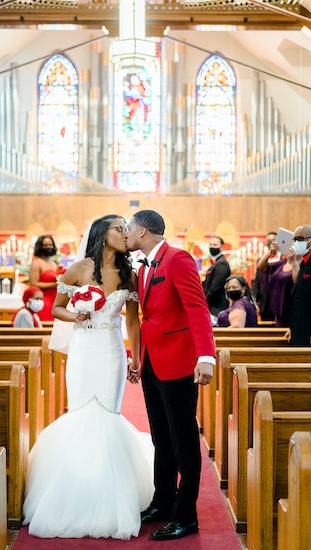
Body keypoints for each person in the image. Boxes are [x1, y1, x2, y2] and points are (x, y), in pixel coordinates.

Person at [23, 214, 154, 539]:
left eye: (126, 229)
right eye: (118, 228)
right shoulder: (78, 269)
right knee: (81, 410)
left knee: (108, 412)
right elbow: (57, 308)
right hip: (83, 349)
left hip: (111, 350)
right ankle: (76, 487)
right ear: (101, 233)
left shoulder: (129, 272)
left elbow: (133, 320)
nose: (125, 233)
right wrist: (75, 314)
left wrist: (136, 358)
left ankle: (111, 491)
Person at [126, 210, 215, 542]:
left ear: (145, 231)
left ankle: (186, 515)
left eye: (130, 228)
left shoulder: (178, 259)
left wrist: (206, 356)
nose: (126, 233)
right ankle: (162, 501)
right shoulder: (144, 266)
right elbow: (146, 316)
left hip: (179, 363)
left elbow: (197, 308)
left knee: (183, 442)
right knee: (160, 439)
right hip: (152, 361)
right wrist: (139, 357)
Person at [289, 224, 311, 347]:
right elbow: (298, 297)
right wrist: (292, 327)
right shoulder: (305, 261)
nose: (296, 243)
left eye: (300, 239)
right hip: (300, 330)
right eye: (295, 239)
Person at [256, 239, 294, 327]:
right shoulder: (282, 264)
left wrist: (294, 262)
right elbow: (261, 267)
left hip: (290, 306)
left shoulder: (301, 265)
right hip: (278, 306)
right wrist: (270, 252)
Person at [29, 235, 59, 321]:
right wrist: (53, 285)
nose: (48, 247)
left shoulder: (53, 264)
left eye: (50, 245)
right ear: (40, 247)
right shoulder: (36, 263)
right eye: (45, 245)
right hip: (43, 300)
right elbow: (33, 283)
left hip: (55, 299)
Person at [252, 231, 279, 322]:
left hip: (279, 298)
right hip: (265, 300)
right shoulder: (261, 259)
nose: (271, 242)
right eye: (268, 240)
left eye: (273, 240)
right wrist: (254, 299)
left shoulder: (284, 257)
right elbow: (257, 280)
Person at [202, 235, 231, 320]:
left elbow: (216, 287)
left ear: (221, 247)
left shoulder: (221, 264)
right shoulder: (217, 262)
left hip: (217, 305)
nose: (212, 247)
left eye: (215, 245)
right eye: (210, 245)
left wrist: (205, 300)